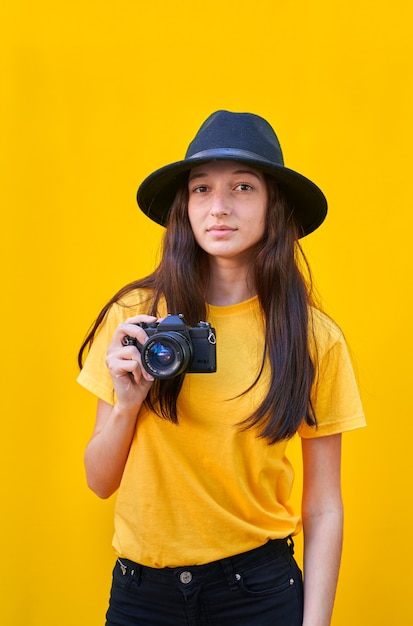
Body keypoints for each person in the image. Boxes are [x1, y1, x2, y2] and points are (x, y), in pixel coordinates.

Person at [77, 110, 365, 626]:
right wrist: (127, 405)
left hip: (258, 590)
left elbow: (323, 507)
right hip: (143, 594)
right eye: (201, 189)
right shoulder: (139, 318)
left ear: (273, 204)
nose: (220, 207)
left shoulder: (313, 339)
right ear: (184, 206)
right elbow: (99, 481)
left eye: (243, 187)